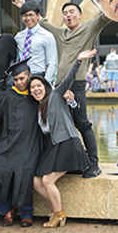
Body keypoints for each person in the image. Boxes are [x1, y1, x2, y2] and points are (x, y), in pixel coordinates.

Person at [12, 0, 111, 177]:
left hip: (76, 84)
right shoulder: (59, 33)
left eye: (72, 12)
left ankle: (94, 163)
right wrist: (24, 6)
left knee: (82, 123)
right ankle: (77, 162)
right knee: (66, 125)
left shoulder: (88, 28)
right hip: (58, 87)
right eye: (65, 13)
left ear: (80, 15)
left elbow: (104, 18)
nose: (68, 15)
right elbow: (42, 21)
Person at [29, 50, 95, 228]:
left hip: (68, 144)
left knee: (47, 180)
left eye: (39, 86)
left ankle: (58, 214)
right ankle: (57, 210)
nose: (36, 89)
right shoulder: (38, 109)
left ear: (45, 86)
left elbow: (68, 79)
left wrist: (78, 60)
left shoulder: (56, 96)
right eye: (32, 88)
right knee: (36, 180)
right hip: (55, 146)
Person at [0, 58, 41, 228]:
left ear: (29, 77)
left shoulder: (36, 96)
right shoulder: (6, 96)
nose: (19, 82)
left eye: (22, 78)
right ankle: (7, 211)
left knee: (25, 173)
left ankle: (26, 213)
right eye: (16, 79)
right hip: (7, 143)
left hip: (29, 144)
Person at [15, 0, 57, 84]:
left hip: (38, 77)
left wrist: (45, 83)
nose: (28, 18)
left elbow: (52, 63)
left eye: (31, 15)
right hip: (22, 79)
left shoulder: (47, 36)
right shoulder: (19, 37)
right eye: (25, 16)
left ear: (38, 15)